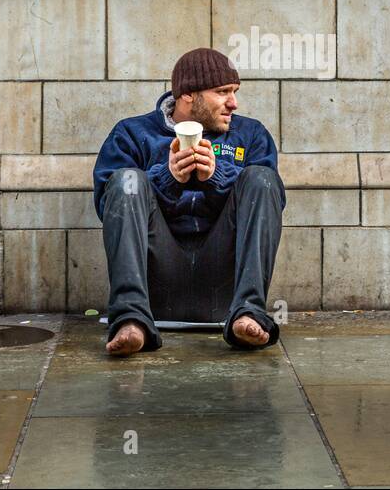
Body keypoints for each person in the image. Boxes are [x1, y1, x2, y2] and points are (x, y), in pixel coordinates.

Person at [92, 48, 287, 356]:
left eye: (234, 92)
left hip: (224, 283)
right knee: (126, 179)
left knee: (261, 178)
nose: (233, 103)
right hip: (157, 280)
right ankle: (130, 320)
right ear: (186, 95)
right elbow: (108, 204)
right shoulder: (131, 133)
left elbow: (269, 203)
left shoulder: (250, 135)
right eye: (222, 92)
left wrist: (219, 176)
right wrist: (166, 177)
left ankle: (249, 311)